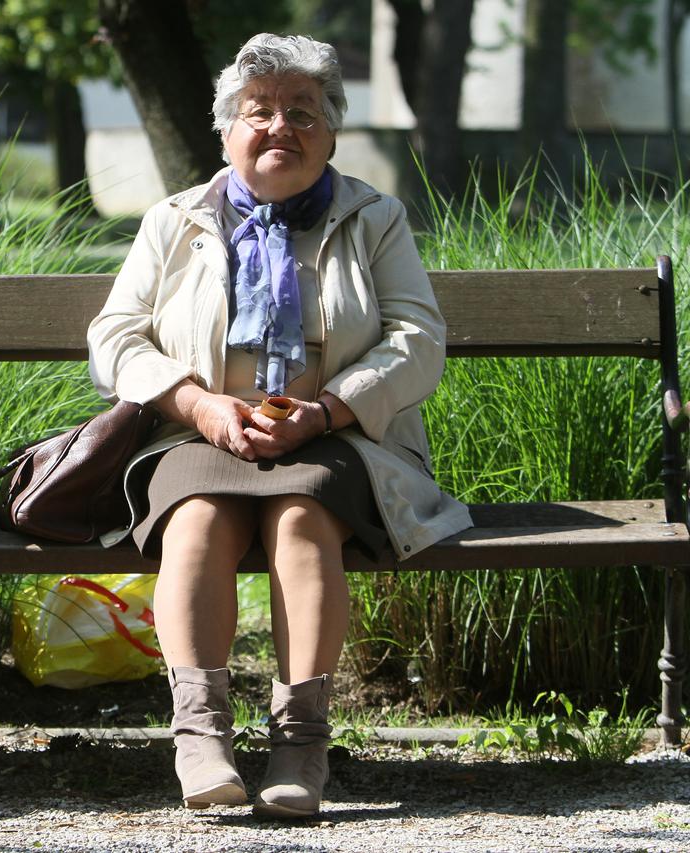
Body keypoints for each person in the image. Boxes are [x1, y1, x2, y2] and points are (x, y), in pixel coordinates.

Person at [86, 33, 472, 818]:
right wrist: (197, 403)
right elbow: (115, 336)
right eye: (258, 111)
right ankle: (199, 737)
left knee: (303, 519)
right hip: (198, 435)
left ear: (330, 132)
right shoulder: (176, 219)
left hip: (339, 437)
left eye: (303, 112)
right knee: (196, 522)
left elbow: (417, 340)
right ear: (226, 129)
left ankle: (301, 745)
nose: (280, 127)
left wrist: (329, 409)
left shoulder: (375, 217)